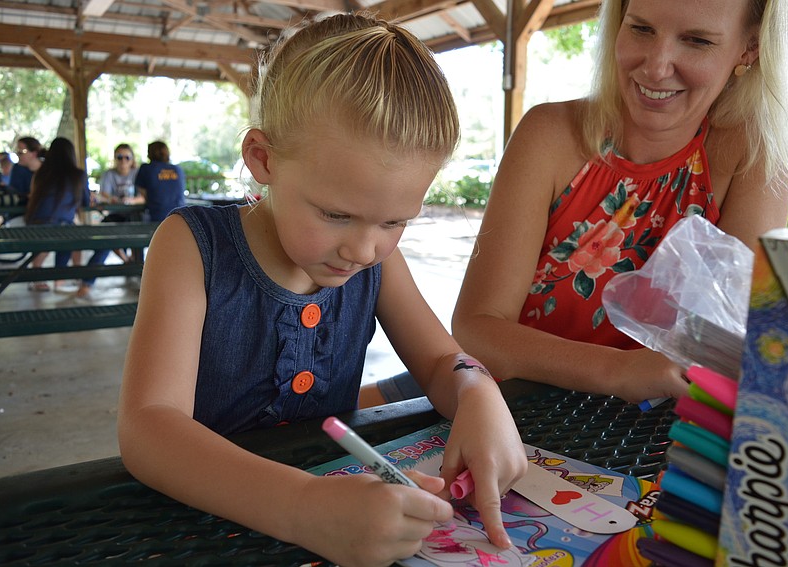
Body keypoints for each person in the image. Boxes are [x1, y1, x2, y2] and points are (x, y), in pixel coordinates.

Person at [118, 12, 527, 567]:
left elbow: (439, 362)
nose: (364, 250)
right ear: (263, 159)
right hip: (203, 525)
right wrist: (302, 506)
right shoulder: (192, 247)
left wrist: (478, 392)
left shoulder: (378, 265)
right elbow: (149, 429)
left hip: (346, 524)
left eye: (394, 222)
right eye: (337, 214)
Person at [445, 0, 788, 405]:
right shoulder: (549, 135)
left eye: (696, 40)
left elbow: (731, 352)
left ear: (750, 47)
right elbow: (477, 327)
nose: (656, 67)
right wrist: (618, 370)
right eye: (640, 29)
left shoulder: (755, 157)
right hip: (509, 416)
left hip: (657, 439)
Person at [23, 137, 90, 290]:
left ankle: (37, 280)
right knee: (73, 239)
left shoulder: (41, 173)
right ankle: (68, 277)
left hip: (36, 223)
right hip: (62, 225)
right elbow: (86, 202)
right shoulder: (78, 175)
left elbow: (33, 196)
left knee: (51, 243)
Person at [77, 143, 140, 299]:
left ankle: (136, 270)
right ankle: (87, 282)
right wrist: (114, 200)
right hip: (116, 215)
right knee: (104, 243)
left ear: (132, 160)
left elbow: (143, 196)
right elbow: (104, 194)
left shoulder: (138, 173)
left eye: (127, 157)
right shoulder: (109, 174)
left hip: (135, 216)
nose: (123, 161)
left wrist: (130, 201)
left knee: (137, 241)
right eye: (119, 157)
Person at [134, 140, 185, 222]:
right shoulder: (178, 169)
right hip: (181, 217)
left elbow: (142, 191)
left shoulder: (146, 168)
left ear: (149, 153)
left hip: (157, 217)